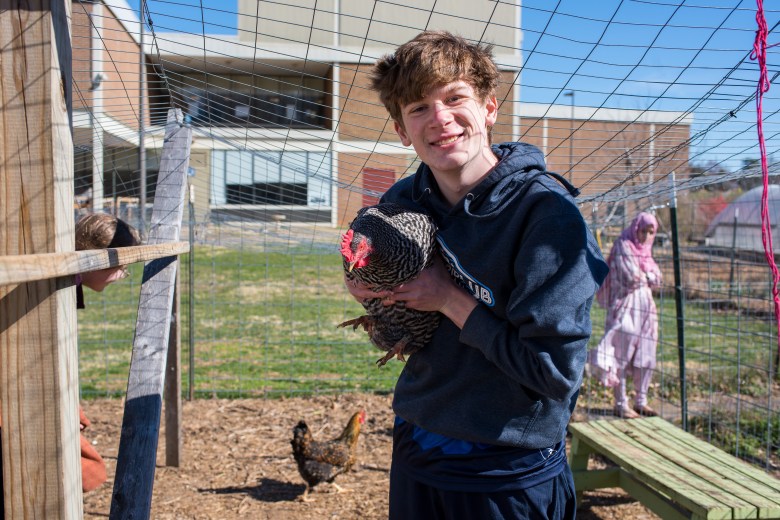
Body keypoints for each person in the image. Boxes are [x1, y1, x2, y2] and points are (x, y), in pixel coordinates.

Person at [344, 31, 608, 519]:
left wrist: (448, 299)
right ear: (402, 129)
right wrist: (375, 297)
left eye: (454, 97)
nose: (440, 118)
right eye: (418, 107)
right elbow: (405, 333)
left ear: (488, 108)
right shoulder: (401, 204)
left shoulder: (547, 217)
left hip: (506, 465)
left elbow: (556, 374)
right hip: (418, 441)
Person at [590, 212, 662, 419]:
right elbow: (631, 276)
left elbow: (657, 278)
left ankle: (641, 400)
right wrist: (649, 275)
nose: (646, 236)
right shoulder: (623, 245)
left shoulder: (645, 253)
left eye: (651, 232)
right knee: (620, 353)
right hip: (625, 308)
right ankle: (620, 403)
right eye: (643, 231)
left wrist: (648, 276)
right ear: (635, 228)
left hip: (646, 309)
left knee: (646, 354)